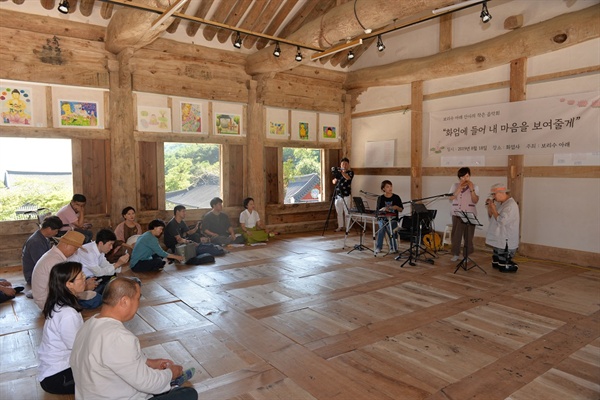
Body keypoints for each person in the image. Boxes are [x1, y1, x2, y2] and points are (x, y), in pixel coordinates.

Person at [70, 278, 198, 400]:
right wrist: (171, 373)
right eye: (137, 299)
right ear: (125, 301)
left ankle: (169, 385)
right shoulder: (119, 337)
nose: (138, 304)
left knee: (161, 384)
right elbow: (148, 383)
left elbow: (117, 360)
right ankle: (173, 383)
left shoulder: (89, 323)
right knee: (188, 394)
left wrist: (149, 363)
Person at [37, 261, 85, 395]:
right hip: (57, 377)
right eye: (81, 276)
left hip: (58, 370)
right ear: (69, 284)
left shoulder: (60, 303)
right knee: (109, 377)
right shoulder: (68, 314)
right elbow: (78, 348)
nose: (85, 278)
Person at [32, 231, 101, 310]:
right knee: (96, 299)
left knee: (95, 295)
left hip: (51, 295)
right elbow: (61, 288)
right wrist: (85, 286)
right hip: (49, 301)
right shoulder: (54, 261)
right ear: (66, 245)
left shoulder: (54, 256)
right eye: (75, 249)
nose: (75, 252)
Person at [486, 183, 520, 273]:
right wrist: (490, 207)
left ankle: (511, 264)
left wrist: (493, 209)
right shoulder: (500, 203)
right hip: (499, 238)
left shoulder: (511, 205)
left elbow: (501, 221)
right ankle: (504, 263)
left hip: (506, 240)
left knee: (503, 268)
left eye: (494, 194)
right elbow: (492, 217)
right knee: (496, 264)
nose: (493, 197)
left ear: (502, 193)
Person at [448, 167, 480, 262]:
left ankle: (467, 255)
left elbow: (475, 200)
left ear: (469, 176)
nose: (465, 179)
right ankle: (455, 253)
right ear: (459, 178)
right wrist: (459, 188)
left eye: (467, 176)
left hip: (470, 213)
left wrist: (471, 189)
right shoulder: (454, 185)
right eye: (462, 177)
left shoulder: (475, 186)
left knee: (468, 236)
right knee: (456, 235)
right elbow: (451, 197)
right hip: (457, 213)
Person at [22, 215, 63, 285]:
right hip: (33, 276)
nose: (57, 233)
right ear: (49, 229)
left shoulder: (43, 237)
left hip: (40, 271)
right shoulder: (36, 242)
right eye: (56, 231)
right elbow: (41, 263)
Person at [375, 180, 403, 255]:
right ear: (383, 189)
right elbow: (378, 211)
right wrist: (384, 209)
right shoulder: (380, 198)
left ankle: (392, 248)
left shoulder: (396, 197)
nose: (390, 188)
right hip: (383, 218)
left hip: (393, 219)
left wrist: (396, 207)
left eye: (391, 186)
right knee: (382, 228)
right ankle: (378, 247)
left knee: (391, 228)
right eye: (387, 187)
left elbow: (401, 209)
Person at [332, 157, 354, 232]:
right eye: (342, 164)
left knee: (347, 212)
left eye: (345, 164)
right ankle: (340, 226)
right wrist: (336, 177)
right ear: (340, 165)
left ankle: (347, 227)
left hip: (346, 195)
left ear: (348, 165)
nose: (344, 165)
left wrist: (342, 172)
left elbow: (348, 178)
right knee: (339, 211)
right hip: (338, 195)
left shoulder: (350, 172)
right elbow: (334, 182)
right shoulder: (338, 174)